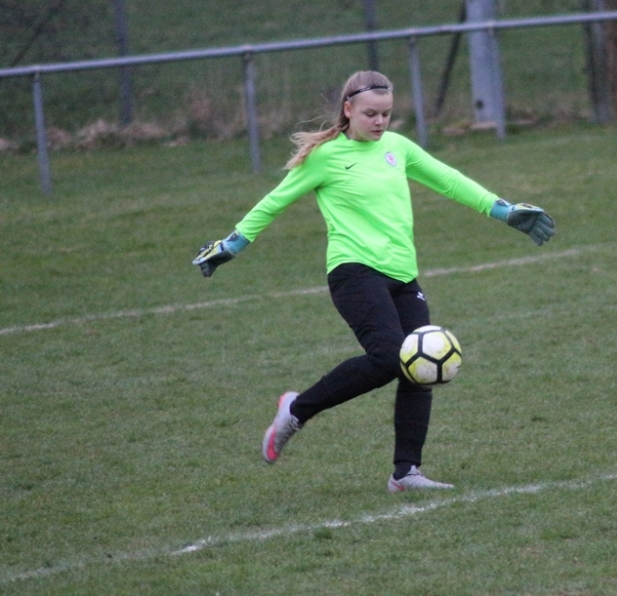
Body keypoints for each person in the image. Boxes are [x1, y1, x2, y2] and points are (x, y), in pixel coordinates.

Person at [192, 70, 555, 493]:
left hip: (403, 273)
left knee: (419, 368)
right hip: (353, 271)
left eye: (386, 113)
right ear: (348, 109)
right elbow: (274, 202)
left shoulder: (397, 147)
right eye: (370, 114)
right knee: (387, 358)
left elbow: (450, 181)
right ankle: (296, 410)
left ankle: (406, 473)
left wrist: (504, 210)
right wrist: (232, 244)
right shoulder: (326, 156)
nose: (380, 121)